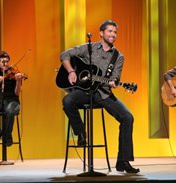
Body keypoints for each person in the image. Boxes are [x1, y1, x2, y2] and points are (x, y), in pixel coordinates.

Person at [60, 20, 139, 173]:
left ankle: (123, 161)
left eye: (115, 32)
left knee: (128, 117)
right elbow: (65, 55)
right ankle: (81, 133)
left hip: (103, 93)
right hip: (84, 91)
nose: (113, 35)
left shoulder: (118, 56)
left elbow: (115, 78)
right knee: (67, 100)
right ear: (101, 33)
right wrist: (71, 71)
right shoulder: (89, 48)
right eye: (110, 31)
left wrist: (113, 83)